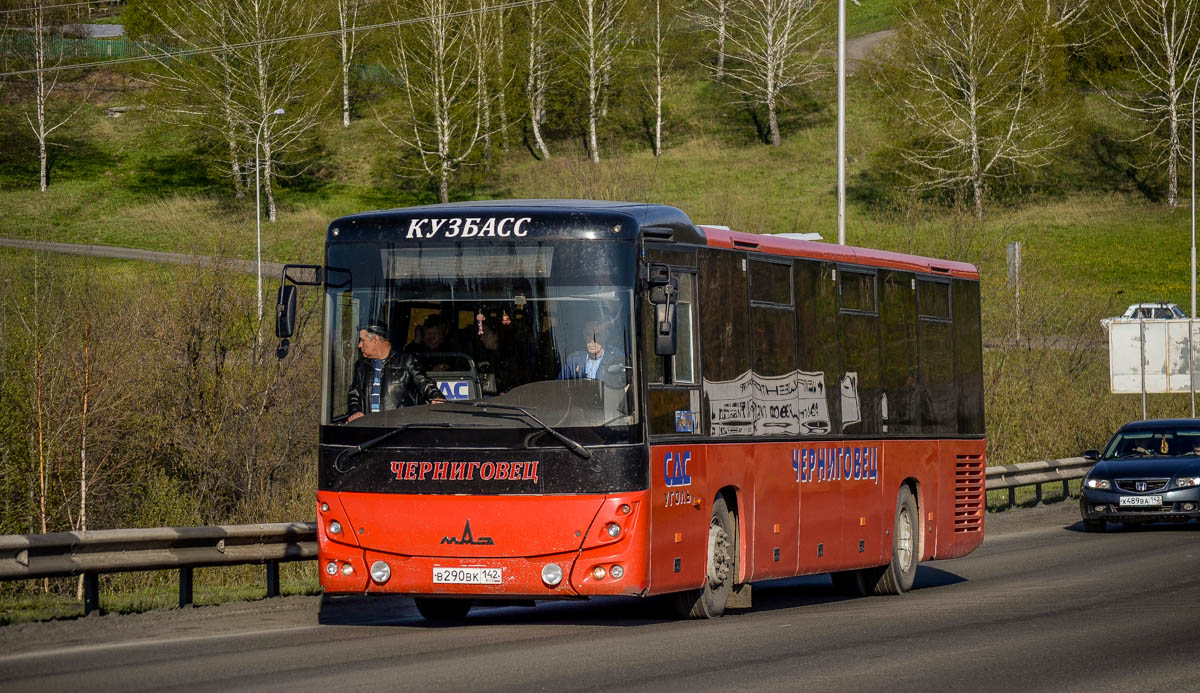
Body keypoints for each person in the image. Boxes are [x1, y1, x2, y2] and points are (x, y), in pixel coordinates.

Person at [347, 323, 444, 422]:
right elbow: (355, 394)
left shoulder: (406, 361)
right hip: (371, 428)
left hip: (398, 429)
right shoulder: (361, 366)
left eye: (363, 340)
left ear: (375, 340)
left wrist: (436, 396)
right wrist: (355, 411)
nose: (359, 345)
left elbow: (424, 383)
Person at [559, 319, 624, 381]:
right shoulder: (574, 360)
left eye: (597, 335)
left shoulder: (615, 359)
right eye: (588, 335)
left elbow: (624, 385)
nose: (592, 340)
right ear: (584, 335)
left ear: (605, 336)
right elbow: (560, 385)